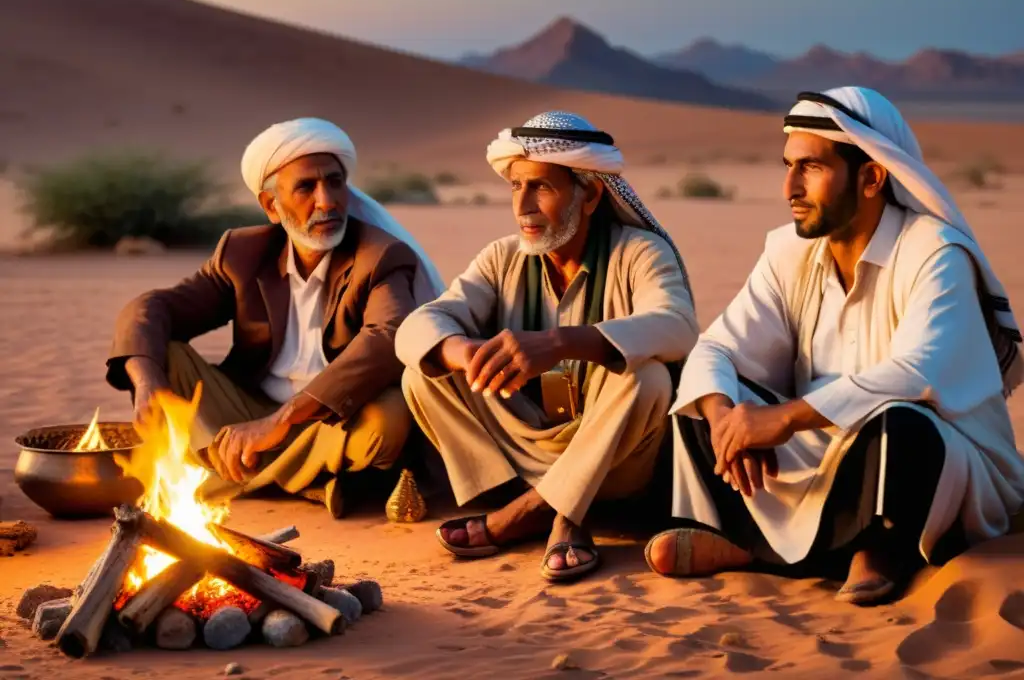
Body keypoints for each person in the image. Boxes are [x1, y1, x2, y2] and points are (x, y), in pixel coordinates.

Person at [647, 87, 1024, 605]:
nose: (790, 187)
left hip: (939, 459)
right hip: (821, 450)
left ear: (871, 178)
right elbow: (718, 348)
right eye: (788, 166)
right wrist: (725, 420)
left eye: (810, 167)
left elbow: (917, 371)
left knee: (900, 424)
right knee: (702, 395)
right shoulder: (788, 251)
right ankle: (791, 547)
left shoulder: (935, 252)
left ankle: (870, 549)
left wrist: (783, 419)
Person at [397, 111, 699, 582]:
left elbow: (678, 326)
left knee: (649, 378)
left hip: (614, 460)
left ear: (591, 194)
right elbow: (418, 326)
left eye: (541, 187)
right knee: (424, 370)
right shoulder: (501, 258)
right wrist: (467, 353)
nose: (523, 207)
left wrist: (560, 343)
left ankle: (536, 514)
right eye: (516, 187)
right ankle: (545, 500)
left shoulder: (639, 252)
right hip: (523, 451)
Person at [106, 117, 444, 518]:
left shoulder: (379, 255)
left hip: (332, 419)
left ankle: (232, 473)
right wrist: (146, 382)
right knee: (164, 356)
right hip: (248, 411)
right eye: (306, 187)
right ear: (271, 205)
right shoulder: (242, 253)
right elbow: (151, 308)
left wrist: (282, 421)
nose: (327, 201)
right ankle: (310, 481)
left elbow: (386, 335)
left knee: (388, 420)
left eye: (335, 182)